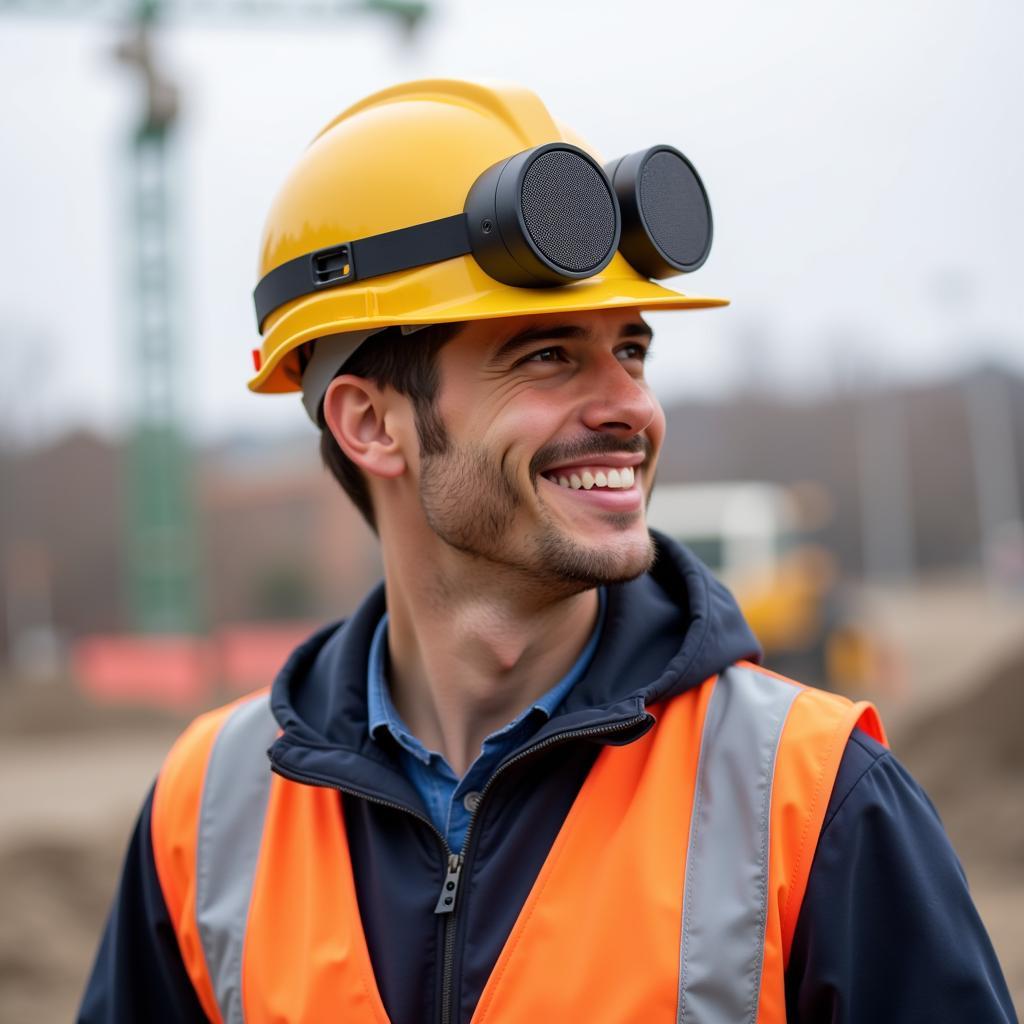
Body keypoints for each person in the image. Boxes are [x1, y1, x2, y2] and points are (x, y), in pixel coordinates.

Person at [79, 79, 1016, 1024]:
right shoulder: (208, 811)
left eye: (633, 351)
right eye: (548, 357)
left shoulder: (814, 800)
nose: (630, 407)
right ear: (370, 422)